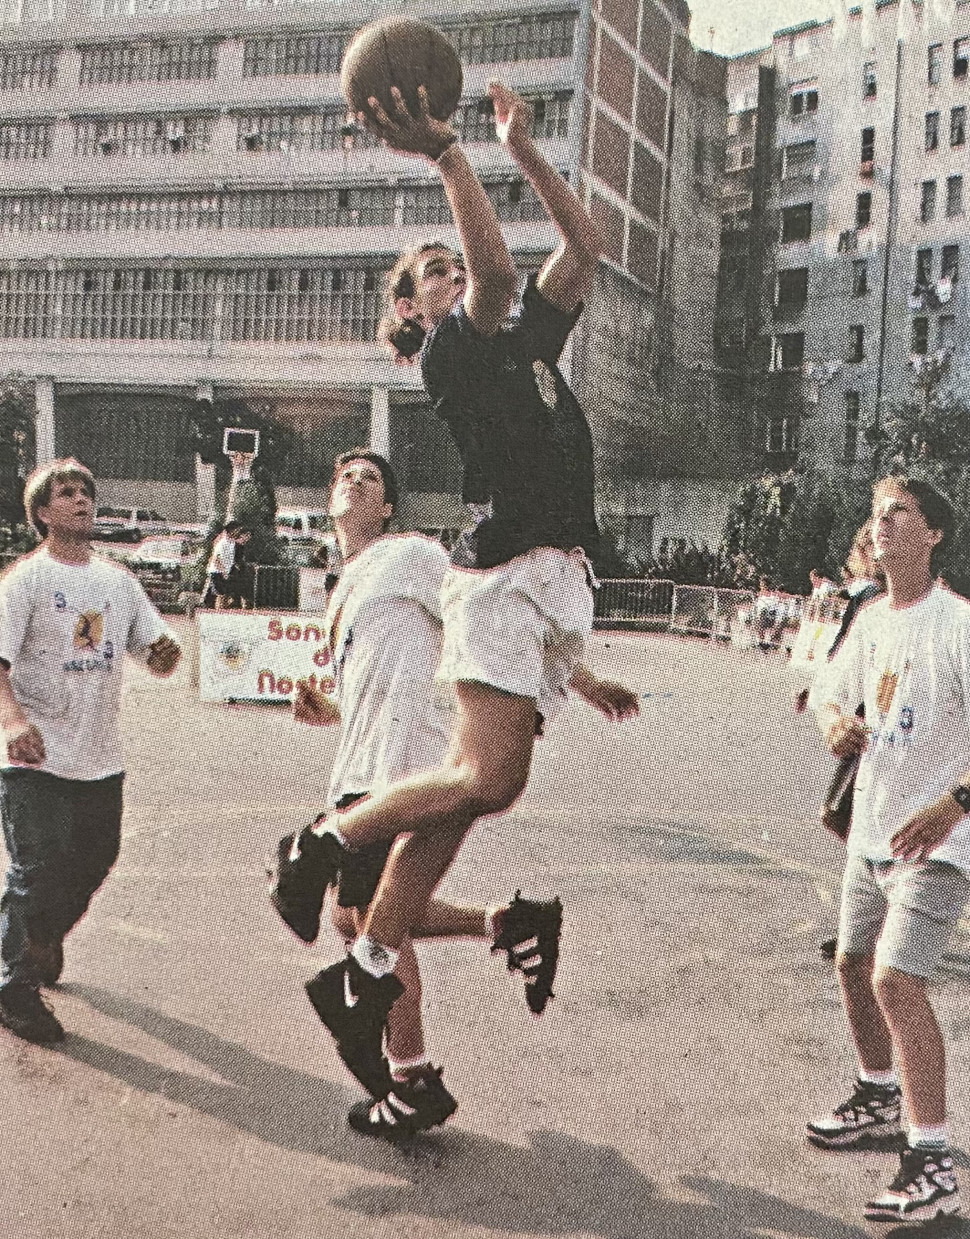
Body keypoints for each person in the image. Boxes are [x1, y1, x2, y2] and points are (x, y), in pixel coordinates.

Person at [269, 79, 640, 1140]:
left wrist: (523, 150)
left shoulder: (530, 341)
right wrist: (448, 156)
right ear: (411, 310)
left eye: (444, 259)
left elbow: (589, 242)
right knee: (482, 780)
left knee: (473, 796)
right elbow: (491, 270)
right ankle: (321, 845)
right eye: (423, 270)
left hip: (549, 578)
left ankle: (367, 971)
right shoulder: (457, 346)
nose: (447, 270)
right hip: (502, 571)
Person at [808, 475, 970, 1225]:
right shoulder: (871, 616)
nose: (880, 524)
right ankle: (878, 1092)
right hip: (874, 828)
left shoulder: (962, 625)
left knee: (895, 982)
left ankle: (931, 1160)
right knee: (849, 962)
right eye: (875, 514)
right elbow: (826, 693)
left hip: (939, 840)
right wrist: (834, 723)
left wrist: (952, 803)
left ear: (932, 532)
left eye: (897, 512)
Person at [0, 459, 181, 1044]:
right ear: (43, 514)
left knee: (93, 862)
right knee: (37, 869)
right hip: (34, 757)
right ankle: (13, 985)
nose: (81, 500)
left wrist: (164, 655)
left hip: (99, 757)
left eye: (86, 491)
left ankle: (40, 934)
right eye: (66, 493)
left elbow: (152, 645)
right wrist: (13, 724)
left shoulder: (116, 581)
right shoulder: (25, 580)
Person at [814, 521, 886, 961]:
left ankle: (872, 922)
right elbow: (843, 659)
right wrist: (822, 694)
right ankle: (873, 917)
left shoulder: (869, 600)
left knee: (845, 819)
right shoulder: (868, 600)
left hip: (871, 724)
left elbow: (847, 655)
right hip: (858, 721)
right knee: (845, 820)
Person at [200, 522, 240, 609]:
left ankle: (218, 610)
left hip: (225, 571)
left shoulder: (232, 543)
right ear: (231, 531)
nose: (238, 532)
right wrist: (223, 571)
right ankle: (218, 612)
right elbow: (216, 559)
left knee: (225, 594)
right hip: (217, 571)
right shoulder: (222, 543)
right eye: (236, 530)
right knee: (220, 594)